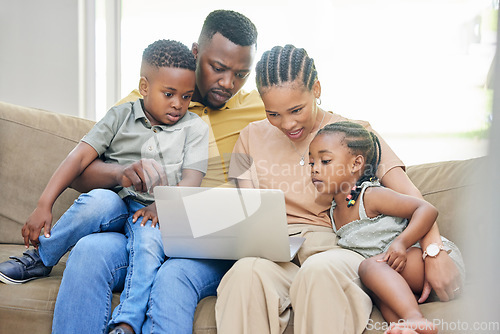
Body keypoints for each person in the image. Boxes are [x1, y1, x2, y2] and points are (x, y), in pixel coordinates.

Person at [216, 44, 464, 334]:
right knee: (244, 275)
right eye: (274, 114)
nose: (288, 124)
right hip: (278, 250)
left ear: (316, 89)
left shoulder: (353, 134)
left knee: (320, 271)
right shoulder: (249, 137)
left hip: (338, 248)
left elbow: (410, 195)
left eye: (296, 110)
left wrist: (434, 252)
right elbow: (248, 210)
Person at [50, 10, 261, 334]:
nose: (228, 83)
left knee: (171, 277)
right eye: (218, 68)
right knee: (89, 251)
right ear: (195, 53)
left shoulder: (260, 108)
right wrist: (122, 173)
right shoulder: (145, 102)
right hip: (145, 229)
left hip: (208, 244)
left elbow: (319, 121)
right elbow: (80, 175)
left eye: (241, 74)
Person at [0, 39, 209, 334]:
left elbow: (192, 179)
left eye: (186, 96)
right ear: (145, 87)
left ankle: (126, 322)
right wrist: (43, 204)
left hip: (151, 213)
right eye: (169, 94)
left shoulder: (195, 128)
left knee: (149, 245)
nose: (178, 104)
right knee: (98, 200)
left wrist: (164, 204)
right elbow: (77, 158)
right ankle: (42, 257)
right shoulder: (119, 116)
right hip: (114, 205)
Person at [309, 121, 465, 334]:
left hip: (431, 261)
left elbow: (426, 209)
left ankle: (414, 318)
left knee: (370, 267)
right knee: (374, 284)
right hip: (398, 276)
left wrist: (401, 243)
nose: (315, 169)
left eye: (325, 161)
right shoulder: (334, 211)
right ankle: (403, 328)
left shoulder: (370, 195)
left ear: (356, 164)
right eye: (311, 163)